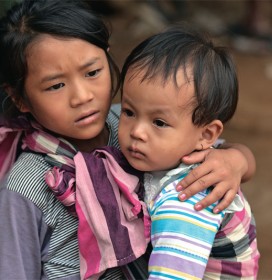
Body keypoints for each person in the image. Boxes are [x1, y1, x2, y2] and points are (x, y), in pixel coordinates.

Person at [0, 0, 256, 279]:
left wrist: (236, 160)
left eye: (92, 72)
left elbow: (213, 145)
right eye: (56, 85)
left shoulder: (134, 124)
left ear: (108, 59)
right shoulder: (25, 189)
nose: (82, 96)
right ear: (19, 98)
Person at [118, 26, 260, 279]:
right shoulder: (194, 150)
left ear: (206, 136)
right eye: (128, 112)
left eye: (159, 122)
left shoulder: (187, 197)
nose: (137, 131)